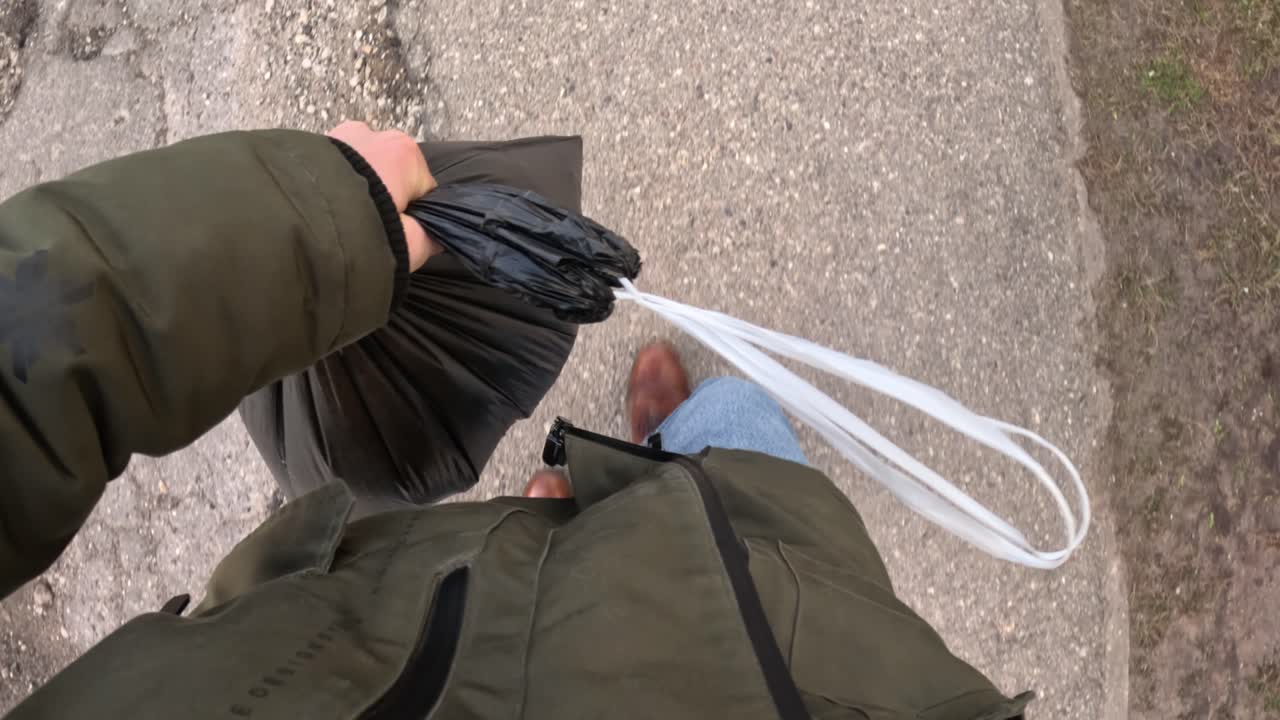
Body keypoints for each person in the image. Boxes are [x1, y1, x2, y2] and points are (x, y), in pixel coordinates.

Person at [0, 122, 1032, 719]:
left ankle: (574, 501)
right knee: (733, 418)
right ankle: (626, 475)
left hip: (404, 628)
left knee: (587, 510)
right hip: (790, 649)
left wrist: (319, 227)